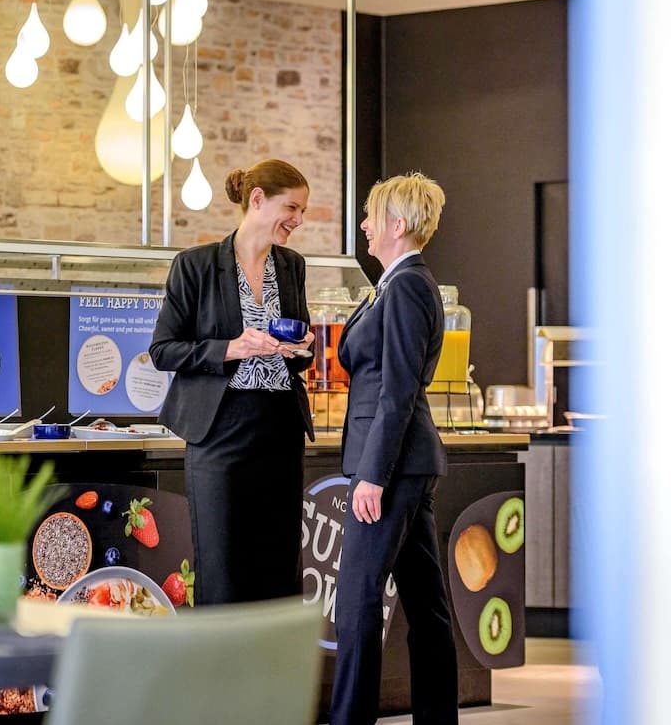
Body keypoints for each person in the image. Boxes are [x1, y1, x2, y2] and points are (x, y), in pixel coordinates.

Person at [149, 158, 316, 606]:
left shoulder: (292, 266)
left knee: (279, 570)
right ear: (257, 199)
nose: (299, 220)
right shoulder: (196, 265)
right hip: (220, 432)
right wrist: (230, 348)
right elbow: (163, 350)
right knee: (223, 569)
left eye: (302, 211)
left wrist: (303, 348)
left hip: (280, 428)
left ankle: (275, 655)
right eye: (292, 208)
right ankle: (221, 656)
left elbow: (301, 352)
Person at [330, 172, 458, 725]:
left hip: (392, 465)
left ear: (397, 224)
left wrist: (373, 475)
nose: (364, 226)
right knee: (427, 606)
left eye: (371, 216)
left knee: (356, 603)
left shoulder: (406, 286)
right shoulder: (395, 283)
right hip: (408, 461)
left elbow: (398, 390)